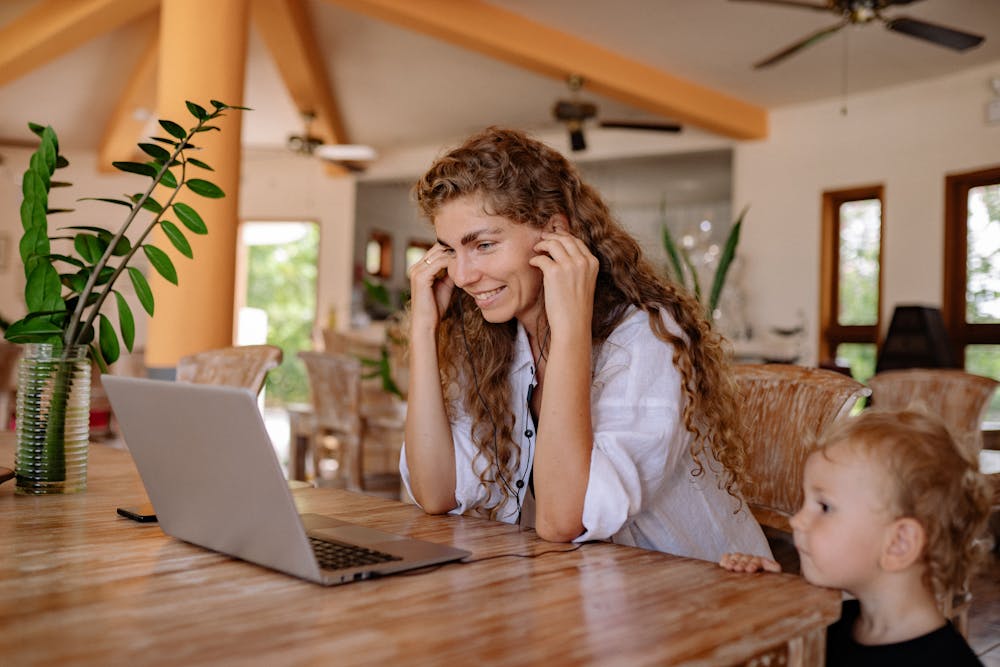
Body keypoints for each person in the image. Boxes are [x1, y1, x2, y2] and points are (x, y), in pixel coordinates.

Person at [400, 126, 771, 562]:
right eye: (449, 251)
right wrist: (423, 329)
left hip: (703, 596)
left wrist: (571, 324)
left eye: (482, 244)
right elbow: (435, 493)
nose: (461, 276)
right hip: (593, 591)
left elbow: (563, 520)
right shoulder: (498, 341)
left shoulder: (644, 337)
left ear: (555, 232)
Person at [720, 408, 991, 666]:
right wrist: (765, 594)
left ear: (899, 544)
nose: (796, 520)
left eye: (824, 507)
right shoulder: (830, 628)